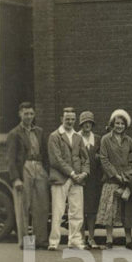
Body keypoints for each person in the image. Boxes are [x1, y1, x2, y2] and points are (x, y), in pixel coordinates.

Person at [96, 109, 132, 249]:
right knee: (110, 209)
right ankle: (109, 240)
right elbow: (103, 159)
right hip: (111, 178)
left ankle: (128, 240)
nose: (119, 126)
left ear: (125, 125)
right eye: (117, 123)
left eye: (122, 123)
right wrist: (114, 174)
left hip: (126, 179)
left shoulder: (129, 140)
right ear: (112, 124)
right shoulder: (105, 139)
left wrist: (129, 176)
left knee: (127, 210)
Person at [8, 102, 49, 249]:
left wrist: (46, 172)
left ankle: (41, 240)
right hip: (24, 167)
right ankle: (26, 242)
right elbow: (11, 159)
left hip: (39, 167)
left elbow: (45, 154)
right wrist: (16, 178)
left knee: (42, 206)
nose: (29, 116)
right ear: (20, 114)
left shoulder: (40, 131)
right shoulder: (14, 133)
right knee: (24, 206)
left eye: (31, 113)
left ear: (34, 114)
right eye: (26, 114)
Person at [47, 107, 89, 250]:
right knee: (58, 211)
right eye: (67, 119)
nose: (70, 121)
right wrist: (72, 173)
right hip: (61, 178)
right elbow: (56, 160)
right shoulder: (54, 136)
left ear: (75, 120)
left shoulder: (78, 137)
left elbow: (85, 158)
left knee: (77, 211)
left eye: (72, 119)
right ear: (61, 119)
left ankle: (75, 240)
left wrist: (85, 173)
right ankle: (54, 242)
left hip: (77, 179)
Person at [76, 111, 104, 248]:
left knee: (92, 210)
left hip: (94, 179)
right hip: (79, 178)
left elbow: (103, 157)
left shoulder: (98, 139)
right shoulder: (75, 137)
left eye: (89, 123)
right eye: (84, 123)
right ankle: (81, 238)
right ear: (81, 124)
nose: (87, 125)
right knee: (80, 209)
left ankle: (91, 238)